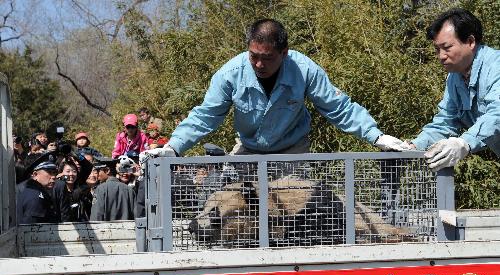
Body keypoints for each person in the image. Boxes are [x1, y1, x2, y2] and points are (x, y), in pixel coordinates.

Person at [142, 19, 405, 158]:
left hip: (293, 150)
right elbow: (206, 115)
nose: (258, 64)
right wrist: (173, 147)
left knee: (289, 217)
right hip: (249, 149)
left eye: (267, 58)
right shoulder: (230, 74)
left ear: (284, 52)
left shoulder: (304, 70)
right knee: (233, 208)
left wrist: (376, 137)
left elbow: (337, 107)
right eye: (253, 55)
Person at [408, 8, 500, 171]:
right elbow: (446, 120)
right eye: (437, 49)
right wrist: (413, 146)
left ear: (470, 42)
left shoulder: (496, 66)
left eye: (447, 47)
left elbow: (497, 114)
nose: (441, 56)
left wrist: (463, 142)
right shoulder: (455, 77)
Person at [16, 152, 58, 224]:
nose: (54, 176)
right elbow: (31, 231)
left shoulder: (27, 188)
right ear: (35, 174)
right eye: (49, 172)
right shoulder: (35, 196)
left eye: (54, 172)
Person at [90, 157, 136, 221]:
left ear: (107, 171)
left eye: (98, 171)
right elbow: (136, 216)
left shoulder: (100, 189)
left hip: (105, 230)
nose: (97, 175)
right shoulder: (129, 190)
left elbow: (96, 217)